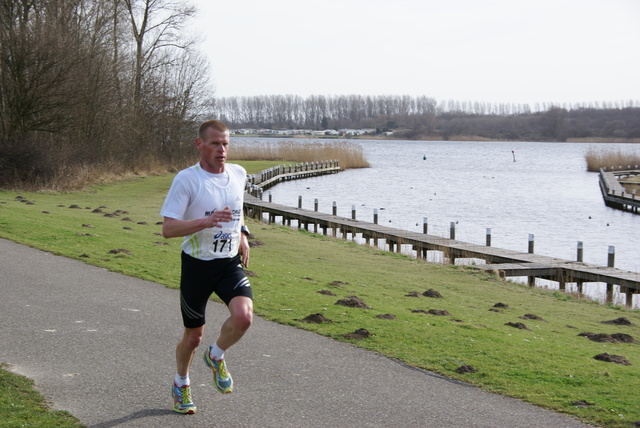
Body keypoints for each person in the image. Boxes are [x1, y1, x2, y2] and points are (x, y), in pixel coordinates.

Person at [160, 119, 253, 414]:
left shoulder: (239, 174)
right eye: (215, 143)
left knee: (244, 318)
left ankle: (216, 356)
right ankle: (181, 383)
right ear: (199, 144)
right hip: (197, 267)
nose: (221, 149)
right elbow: (168, 229)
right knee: (193, 336)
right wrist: (204, 222)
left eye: (225, 143)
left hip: (228, 263)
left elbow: (236, 212)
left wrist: (243, 234)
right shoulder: (187, 180)